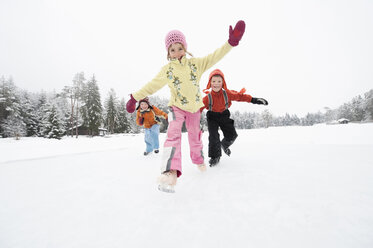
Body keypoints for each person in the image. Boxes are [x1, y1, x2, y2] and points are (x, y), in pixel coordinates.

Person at [126, 20, 246, 193]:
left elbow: (214, 56)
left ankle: (199, 161)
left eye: (179, 48)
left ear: (185, 47)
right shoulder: (167, 70)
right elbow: (152, 85)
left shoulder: (195, 64)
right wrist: (134, 97)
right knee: (173, 134)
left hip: (195, 109)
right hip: (176, 107)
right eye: (172, 50)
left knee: (195, 138)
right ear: (168, 52)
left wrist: (230, 43)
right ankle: (170, 172)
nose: (176, 52)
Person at [201, 69, 268, 166]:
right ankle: (215, 157)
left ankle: (224, 144)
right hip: (212, 116)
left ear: (223, 83)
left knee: (232, 135)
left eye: (219, 81)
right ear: (209, 83)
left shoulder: (227, 94)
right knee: (213, 137)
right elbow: (197, 108)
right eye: (214, 81)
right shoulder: (207, 98)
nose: (216, 84)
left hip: (224, 115)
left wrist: (254, 100)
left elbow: (240, 97)